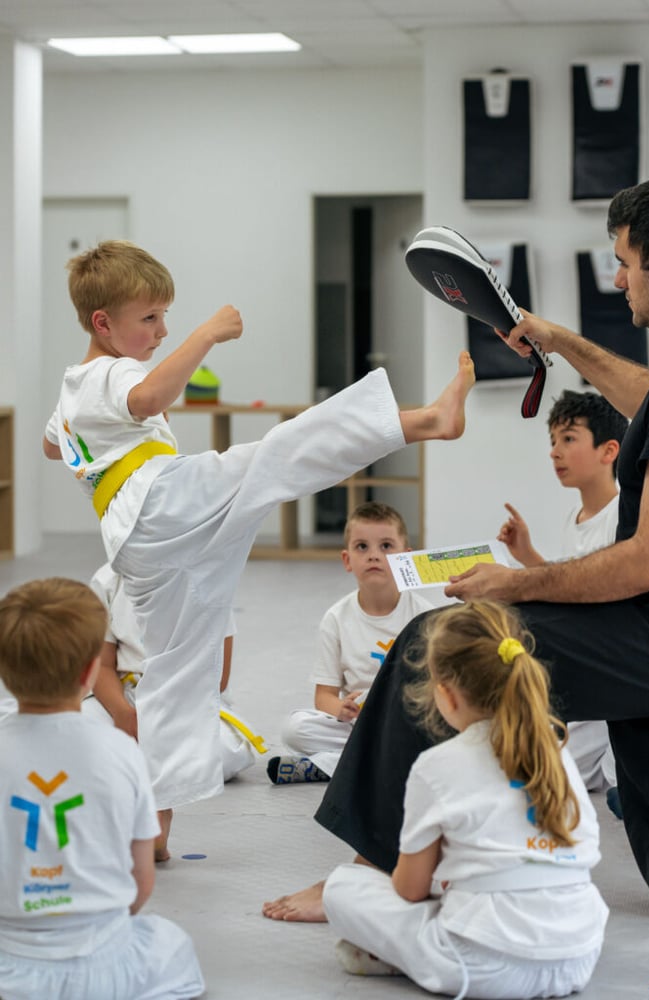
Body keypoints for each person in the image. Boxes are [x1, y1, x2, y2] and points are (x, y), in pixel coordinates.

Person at [315, 175, 649, 937]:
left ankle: (372, 870)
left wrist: (514, 582)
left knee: (435, 646)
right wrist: (563, 342)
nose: (618, 278)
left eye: (623, 263)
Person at [42, 240, 475, 858]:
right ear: (103, 324)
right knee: (276, 455)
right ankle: (424, 421)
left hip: (144, 543)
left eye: (168, 318)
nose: (162, 332)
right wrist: (208, 333)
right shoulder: (112, 372)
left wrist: (76, 439)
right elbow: (149, 400)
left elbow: (52, 446)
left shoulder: (74, 389)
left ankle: (154, 833)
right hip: (163, 503)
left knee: (175, 677)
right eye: (150, 319)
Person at [323, 600, 608, 999]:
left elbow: (409, 891)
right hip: (577, 955)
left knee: (341, 887)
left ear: (446, 694)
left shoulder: (435, 765)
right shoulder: (554, 748)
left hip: (479, 965)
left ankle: (402, 956)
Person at [0, 577, 204, 1000]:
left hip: (10, 963)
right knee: (172, 945)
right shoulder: (121, 752)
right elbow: (140, 880)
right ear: (91, 670)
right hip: (105, 964)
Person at [84, 561, 265, 860]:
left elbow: (216, 679)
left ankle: (153, 802)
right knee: (77, 734)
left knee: (223, 749)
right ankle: (146, 787)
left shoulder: (209, 577)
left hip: (189, 701)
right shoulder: (107, 580)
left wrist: (160, 723)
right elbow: (101, 666)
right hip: (124, 698)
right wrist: (123, 714)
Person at [498, 388, 627, 793]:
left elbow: (601, 596)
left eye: (569, 439)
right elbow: (571, 584)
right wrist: (528, 555)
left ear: (609, 451)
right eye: (553, 441)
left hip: (607, 675)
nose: (555, 452)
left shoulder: (622, 515)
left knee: (543, 775)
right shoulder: (576, 515)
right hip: (579, 667)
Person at [267, 501, 432, 784]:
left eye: (386, 546)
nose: (374, 556)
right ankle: (380, 759)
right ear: (347, 560)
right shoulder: (336, 619)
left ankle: (333, 765)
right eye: (362, 547)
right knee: (294, 729)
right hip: (358, 723)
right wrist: (340, 709)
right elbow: (324, 696)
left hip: (406, 720)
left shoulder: (424, 615)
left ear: (406, 558)